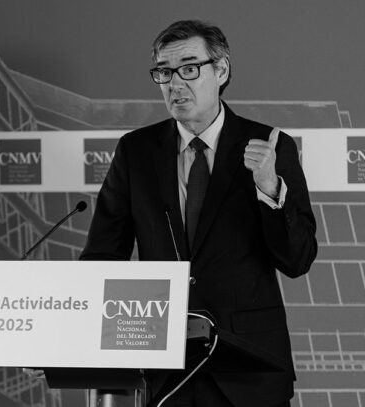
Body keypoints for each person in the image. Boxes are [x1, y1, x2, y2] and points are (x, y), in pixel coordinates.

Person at [80, 20, 317, 407]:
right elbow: (103, 257)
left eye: (189, 69)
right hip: (166, 368)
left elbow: (297, 259)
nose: (175, 84)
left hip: (249, 367)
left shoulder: (269, 146)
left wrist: (270, 188)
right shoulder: (136, 151)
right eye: (164, 72)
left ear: (221, 71)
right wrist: (71, 334)